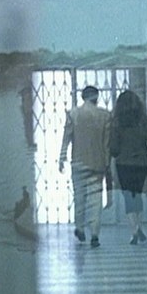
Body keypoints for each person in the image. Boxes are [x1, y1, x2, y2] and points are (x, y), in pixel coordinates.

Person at [109, 90, 147, 244]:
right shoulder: (145, 120)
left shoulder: (116, 122)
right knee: (138, 195)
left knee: (128, 196)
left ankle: (134, 229)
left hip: (124, 164)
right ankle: (139, 226)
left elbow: (114, 148)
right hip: (141, 163)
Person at [59, 86, 111, 248]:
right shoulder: (105, 116)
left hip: (78, 164)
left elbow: (66, 138)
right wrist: (107, 163)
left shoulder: (73, 114)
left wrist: (62, 157)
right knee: (96, 200)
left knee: (80, 197)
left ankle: (80, 227)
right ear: (97, 98)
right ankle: (95, 234)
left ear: (82, 97)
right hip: (97, 164)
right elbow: (107, 143)